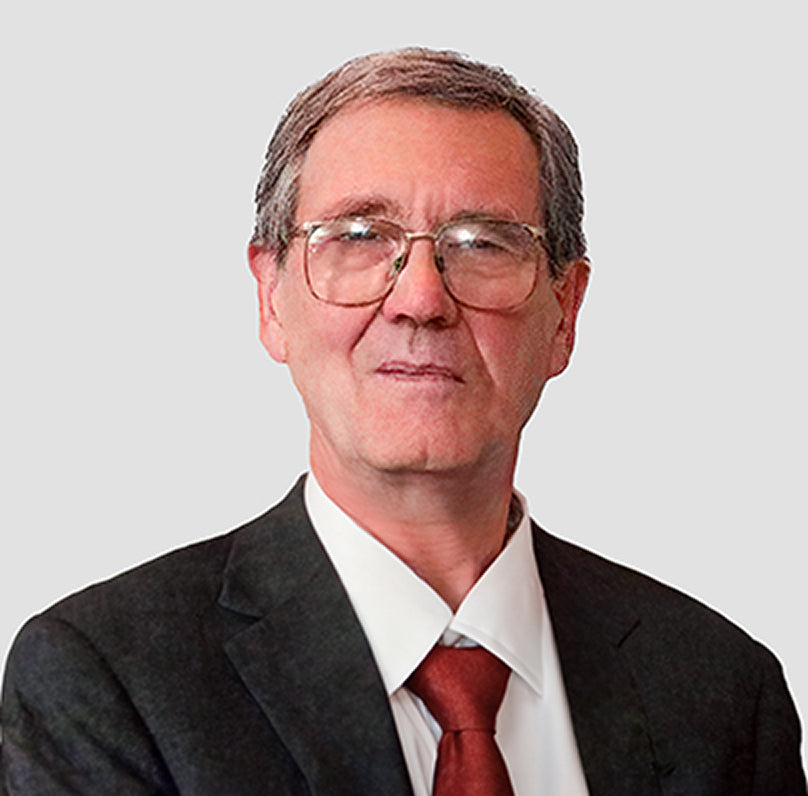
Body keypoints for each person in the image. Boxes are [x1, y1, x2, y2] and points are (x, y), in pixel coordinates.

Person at [1, 48, 804, 795]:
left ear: (565, 311)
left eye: (483, 243)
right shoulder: (108, 681)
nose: (421, 298)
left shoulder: (724, 692)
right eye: (359, 236)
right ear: (271, 299)